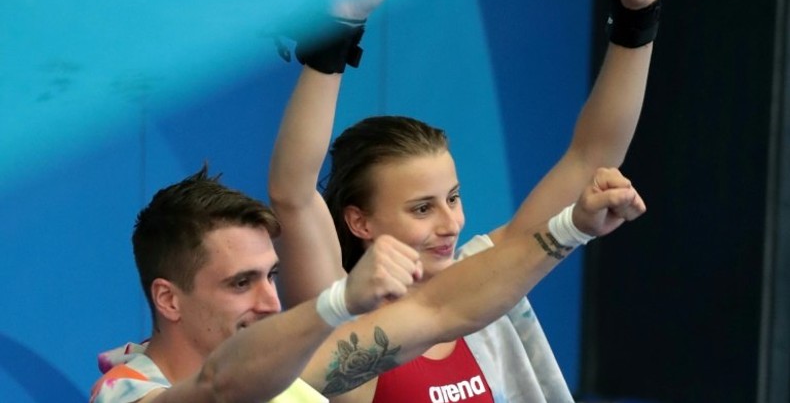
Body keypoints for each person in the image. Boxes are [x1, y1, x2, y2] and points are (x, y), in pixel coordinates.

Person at [269, 0, 661, 402]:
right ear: (359, 221)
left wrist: (638, 14)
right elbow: (293, 195)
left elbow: (591, 156)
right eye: (422, 209)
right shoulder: (340, 319)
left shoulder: (484, 280)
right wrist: (339, 30)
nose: (450, 223)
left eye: (453, 198)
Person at [90, 159, 644, 403]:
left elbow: (441, 311)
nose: (268, 301)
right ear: (168, 298)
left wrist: (571, 228)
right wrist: (336, 304)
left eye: (270, 277)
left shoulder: (288, 376)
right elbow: (220, 389)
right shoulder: (125, 393)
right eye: (240, 283)